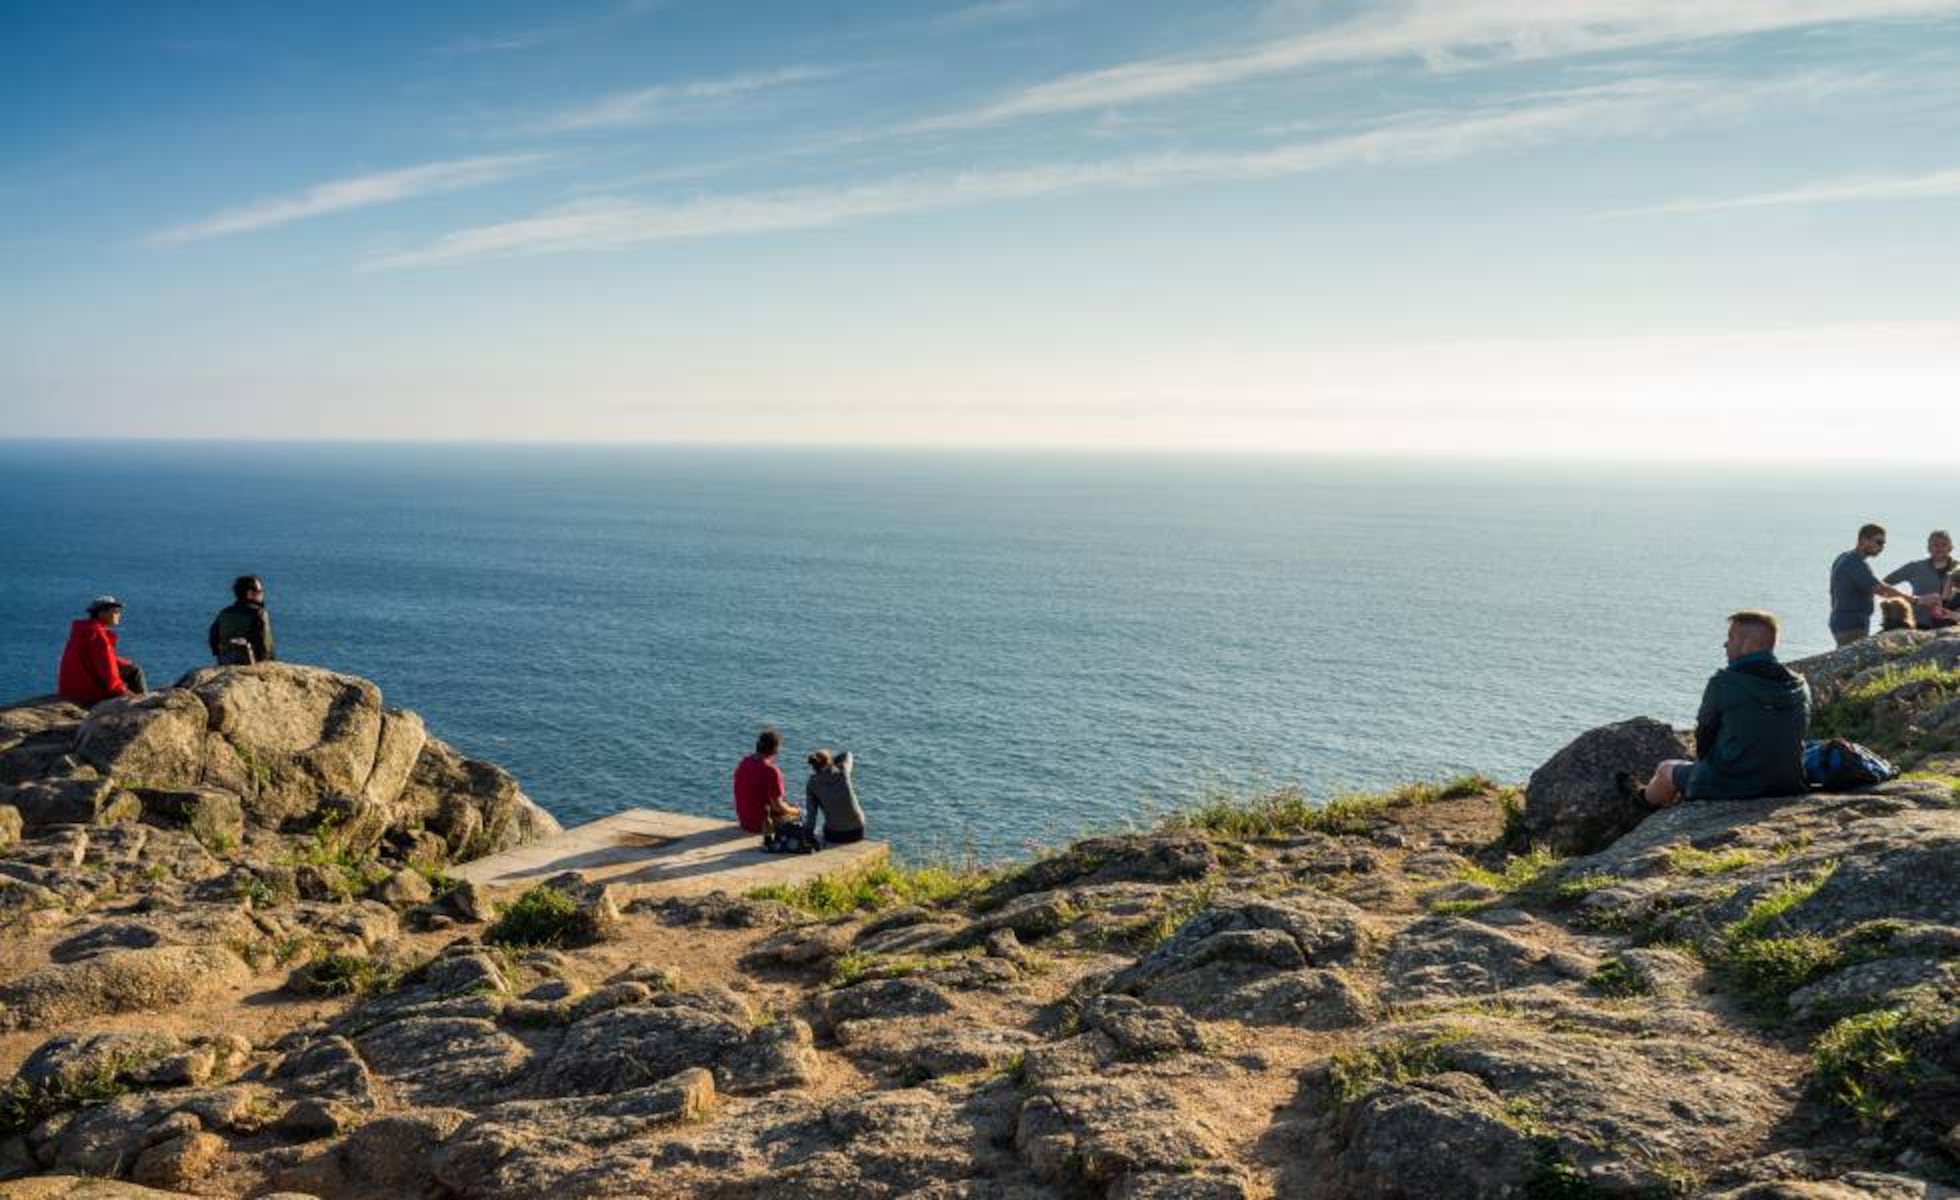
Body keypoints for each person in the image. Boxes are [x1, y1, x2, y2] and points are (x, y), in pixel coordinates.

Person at [1643, 610, 1809, 808]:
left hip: (1730, 785)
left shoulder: (1724, 683)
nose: (1725, 644)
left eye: (1730, 638)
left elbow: (1704, 738)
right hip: (1788, 783)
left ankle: (1641, 806)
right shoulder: (1799, 685)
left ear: (1748, 644)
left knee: (1665, 769)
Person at [1828, 524, 1913, 646]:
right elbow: (1882, 590)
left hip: (1843, 621)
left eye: (1883, 544)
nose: (1881, 547)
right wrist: (1915, 600)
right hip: (1851, 625)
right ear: (1863, 540)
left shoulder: (1844, 557)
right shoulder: (1854, 564)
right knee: (1855, 662)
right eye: (1878, 542)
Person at [56, 596, 146, 706]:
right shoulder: (98, 635)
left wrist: (125, 663)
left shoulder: (82, 630)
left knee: (130, 667)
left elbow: (95, 658)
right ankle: (142, 705)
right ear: (101, 613)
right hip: (89, 693)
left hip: (70, 689)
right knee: (135, 671)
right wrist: (126, 694)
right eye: (116, 611)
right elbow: (109, 673)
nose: (119, 614)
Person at [732, 728, 800, 835]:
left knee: (786, 804)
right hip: (762, 825)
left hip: (744, 821)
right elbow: (777, 806)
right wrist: (796, 811)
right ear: (775, 749)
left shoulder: (744, 762)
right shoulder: (771, 770)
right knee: (800, 814)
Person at [1884, 531, 1956, 629]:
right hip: (1919, 624)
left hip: (1952, 625)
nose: (1939, 548)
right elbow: (1883, 585)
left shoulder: (1958, 569)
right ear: (1929, 548)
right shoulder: (1915, 567)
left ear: (1951, 548)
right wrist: (1913, 600)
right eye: (1935, 545)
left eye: (1943, 545)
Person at [801, 749, 867, 846]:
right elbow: (848, 754)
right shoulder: (843, 772)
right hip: (857, 830)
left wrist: (808, 837)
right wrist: (831, 762)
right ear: (830, 762)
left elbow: (811, 817)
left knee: (820, 833)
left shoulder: (812, 784)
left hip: (836, 834)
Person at [208, 575, 275, 665]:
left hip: (225, 661)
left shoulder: (224, 613)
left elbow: (213, 638)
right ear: (250, 593)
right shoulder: (259, 613)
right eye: (260, 591)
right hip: (251, 662)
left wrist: (219, 654)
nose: (262, 594)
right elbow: (265, 645)